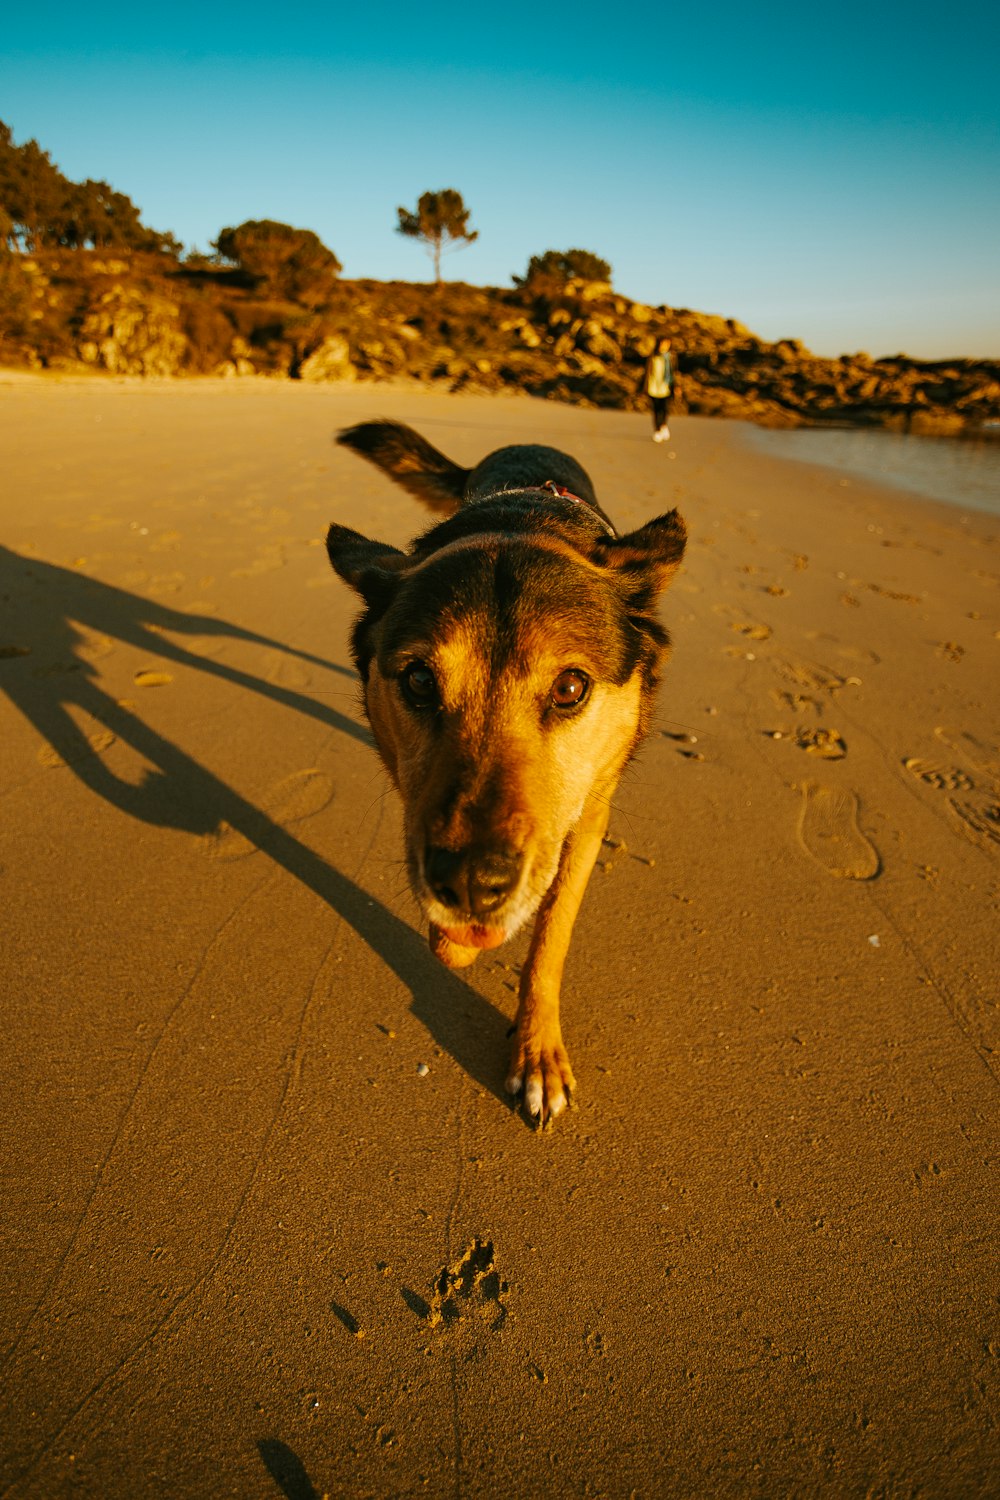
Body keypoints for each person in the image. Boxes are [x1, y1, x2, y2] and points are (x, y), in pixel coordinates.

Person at [644, 336, 674, 443]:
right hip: (653, 387)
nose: (664, 346)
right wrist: (644, 387)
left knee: (665, 408)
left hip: (666, 387)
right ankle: (657, 430)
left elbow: (674, 373)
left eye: (667, 344)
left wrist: (676, 386)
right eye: (663, 343)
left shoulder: (671, 357)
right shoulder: (652, 357)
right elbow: (647, 373)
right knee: (656, 409)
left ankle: (663, 425)